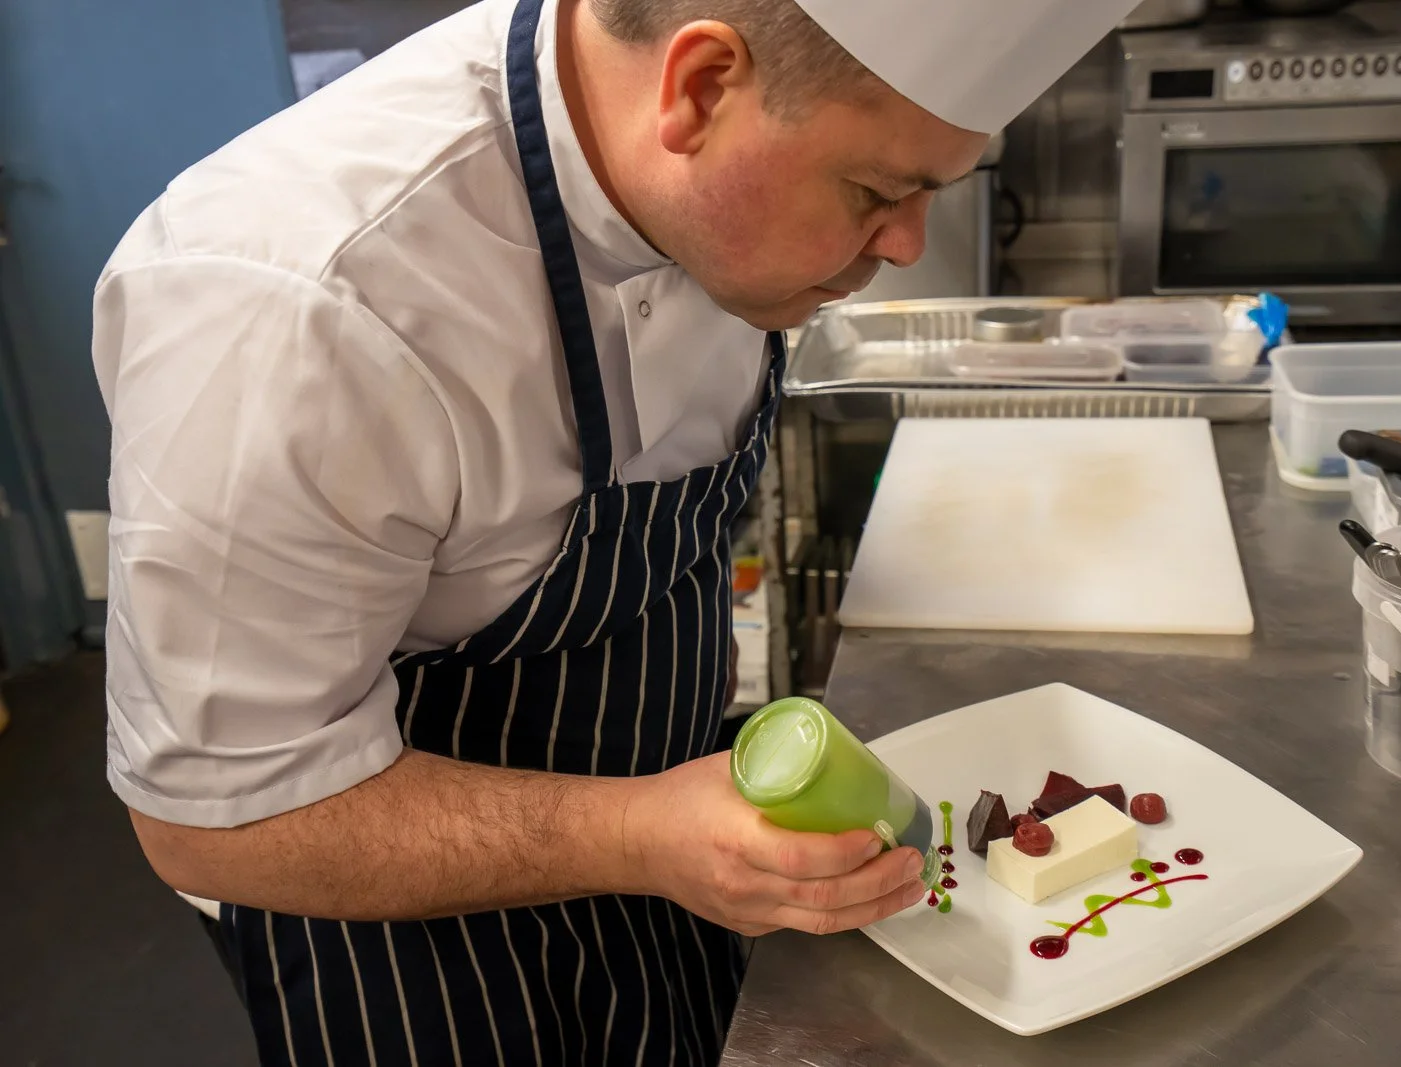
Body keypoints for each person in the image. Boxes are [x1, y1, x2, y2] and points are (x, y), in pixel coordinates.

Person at [91, 0, 1135, 1063]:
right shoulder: (293, 307)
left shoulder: (723, 204)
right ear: (699, 88)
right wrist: (639, 833)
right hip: (417, 960)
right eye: (874, 191)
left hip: (681, 858)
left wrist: (669, 839)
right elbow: (218, 816)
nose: (907, 245)